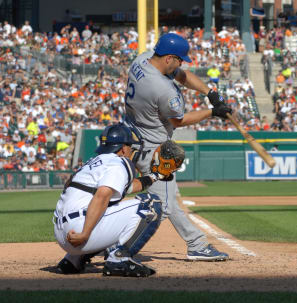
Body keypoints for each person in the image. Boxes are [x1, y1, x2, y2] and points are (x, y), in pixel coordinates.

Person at [124, 33, 232, 260]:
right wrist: (213, 112)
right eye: (179, 59)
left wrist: (210, 93)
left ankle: (196, 243)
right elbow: (178, 121)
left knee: (168, 199)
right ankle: (117, 245)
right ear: (168, 58)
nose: (182, 63)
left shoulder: (142, 59)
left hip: (134, 136)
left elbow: (181, 75)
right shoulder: (162, 89)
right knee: (162, 205)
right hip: (153, 148)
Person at [54, 123, 172, 277]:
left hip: (62, 234)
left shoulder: (93, 163)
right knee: (150, 204)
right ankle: (119, 259)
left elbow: (126, 188)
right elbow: (102, 196)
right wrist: (85, 233)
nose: (131, 150)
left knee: (110, 205)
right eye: (130, 146)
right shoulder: (119, 162)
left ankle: (73, 260)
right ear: (123, 148)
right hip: (80, 233)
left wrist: (156, 176)